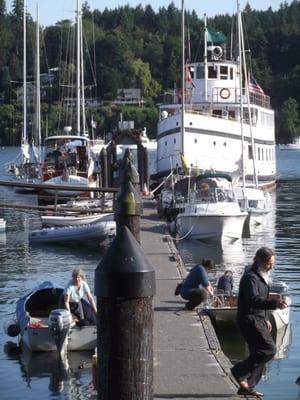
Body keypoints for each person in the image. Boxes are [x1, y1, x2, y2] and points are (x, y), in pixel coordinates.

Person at [230, 247, 288, 397]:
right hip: (249, 319)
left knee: (260, 353)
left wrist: (266, 318)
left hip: (258, 319)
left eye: (273, 263)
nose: (272, 266)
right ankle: (239, 371)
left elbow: (259, 302)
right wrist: (275, 304)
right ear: (260, 261)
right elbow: (253, 300)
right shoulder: (251, 278)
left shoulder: (262, 276)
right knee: (269, 350)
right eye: (269, 263)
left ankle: (246, 386)